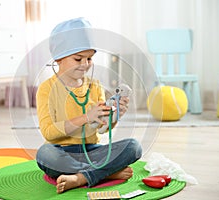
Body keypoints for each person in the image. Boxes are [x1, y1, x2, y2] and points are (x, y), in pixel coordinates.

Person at [36, 17, 142, 194]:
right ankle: (106, 172)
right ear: (59, 59)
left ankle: (81, 177)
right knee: (44, 155)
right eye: (78, 59)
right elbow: (49, 133)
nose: (85, 64)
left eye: (90, 59)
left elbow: (101, 130)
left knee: (133, 146)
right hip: (61, 152)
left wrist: (114, 117)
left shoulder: (95, 86)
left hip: (92, 151)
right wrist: (85, 117)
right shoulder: (46, 89)